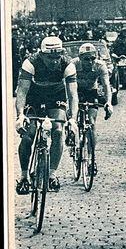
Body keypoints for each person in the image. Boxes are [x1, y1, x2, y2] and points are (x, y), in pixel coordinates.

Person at [15, 36, 79, 194]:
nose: (55, 61)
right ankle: (24, 176)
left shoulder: (68, 64)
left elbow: (73, 95)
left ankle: (52, 174)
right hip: (33, 97)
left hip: (56, 98)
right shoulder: (30, 62)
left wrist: (73, 119)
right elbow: (22, 92)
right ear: (42, 54)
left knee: (58, 130)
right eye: (50, 57)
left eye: (57, 56)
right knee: (28, 135)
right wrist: (20, 115)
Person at [71, 43, 113, 152]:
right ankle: (71, 135)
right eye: (86, 59)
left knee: (92, 122)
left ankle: (91, 156)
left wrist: (108, 102)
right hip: (76, 91)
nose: (90, 62)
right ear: (80, 58)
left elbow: (106, 85)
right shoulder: (73, 65)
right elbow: (65, 85)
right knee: (72, 117)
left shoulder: (100, 66)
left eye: (92, 58)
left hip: (91, 91)